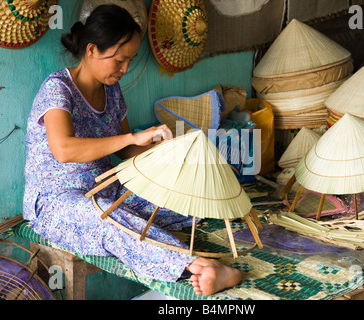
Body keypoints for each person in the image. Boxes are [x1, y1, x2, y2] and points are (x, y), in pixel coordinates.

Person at [22, 4, 241, 296]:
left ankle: (199, 255)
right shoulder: (57, 88)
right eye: (120, 60)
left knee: (185, 203)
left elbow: (127, 152)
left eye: (130, 60)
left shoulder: (111, 90)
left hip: (109, 189)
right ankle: (198, 267)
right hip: (57, 202)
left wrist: (165, 153)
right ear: (91, 51)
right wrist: (132, 139)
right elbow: (64, 149)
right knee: (108, 221)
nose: (125, 69)